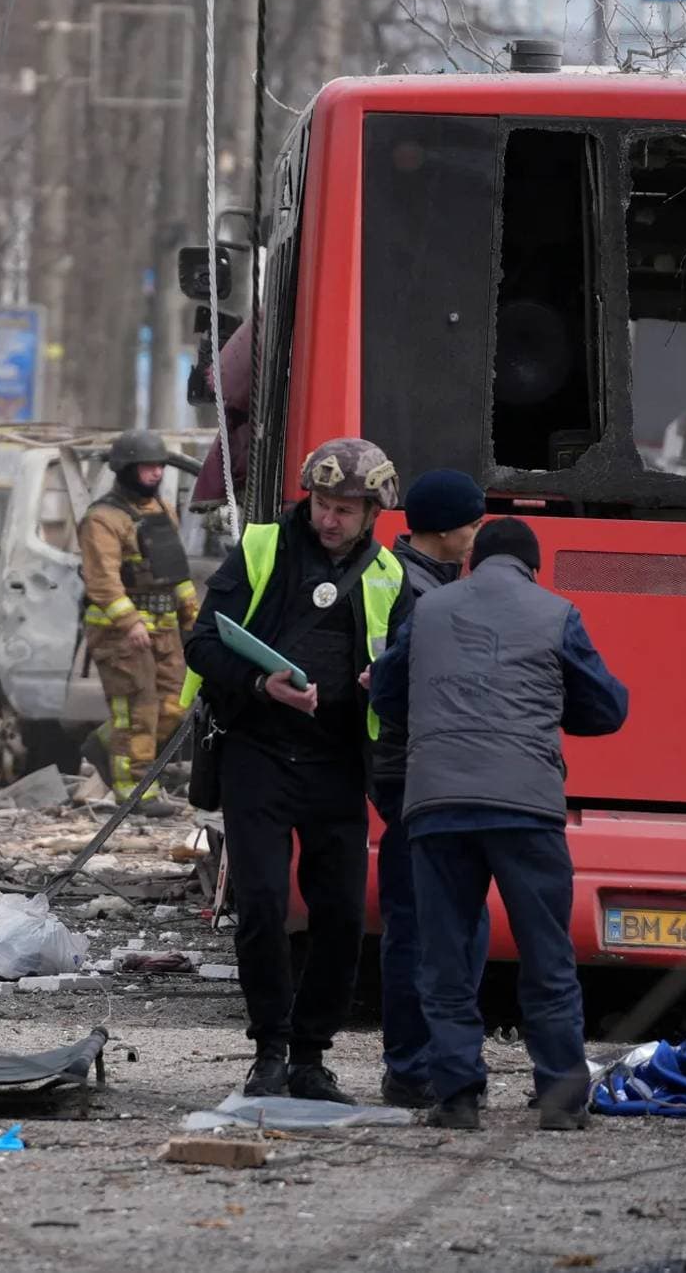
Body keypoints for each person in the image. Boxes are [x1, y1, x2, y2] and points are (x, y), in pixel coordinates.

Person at [370, 517, 629, 1132]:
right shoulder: (555, 611)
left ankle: (457, 1095)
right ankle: (562, 1100)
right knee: (546, 954)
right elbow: (608, 707)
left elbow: (384, 694)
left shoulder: (428, 611)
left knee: (446, 955)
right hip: (526, 808)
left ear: (473, 563)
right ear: (532, 568)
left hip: (438, 806)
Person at [183, 437, 411, 1102]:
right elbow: (201, 642)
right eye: (324, 504)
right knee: (260, 905)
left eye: (347, 509)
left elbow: (407, 666)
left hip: (338, 762)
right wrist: (259, 685)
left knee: (341, 913)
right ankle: (270, 1051)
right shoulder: (260, 549)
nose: (331, 519)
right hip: (258, 755)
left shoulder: (389, 577)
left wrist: (381, 683)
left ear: (372, 514)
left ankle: (311, 1056)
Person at [369, 468, 490, 1109]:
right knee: (425, 925)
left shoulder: (426, 581)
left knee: (435, 923)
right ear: (445, 529)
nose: (476, 535)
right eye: (472, 523)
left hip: (414, 771)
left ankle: (420, 1064)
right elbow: (398, 689)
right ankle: (414, 1068)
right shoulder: (416, 591)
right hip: (414, 773)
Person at [77, 430, 198, 805]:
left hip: (163, 626)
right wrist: (129, 623)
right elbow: (102, 581)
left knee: (176, 704)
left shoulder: (161, 511)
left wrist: (192, 615)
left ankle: (103, 743)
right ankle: (135, 790)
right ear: (127, 469)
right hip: (119, 633)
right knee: (137, 707)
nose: (155, 475)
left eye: (159, 467)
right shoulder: (102, 519)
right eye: (147, 468)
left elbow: (174, 572)